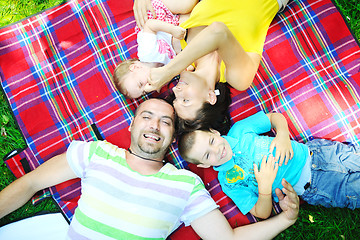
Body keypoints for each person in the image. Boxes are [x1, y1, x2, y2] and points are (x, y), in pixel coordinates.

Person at [0, 99, 300, 239]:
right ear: (132, 124)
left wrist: (286, 219)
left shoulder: (185, 185)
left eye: (166, 122)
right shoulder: (95, 152)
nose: (155, 125)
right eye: (147, 116)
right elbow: (30, 183)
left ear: (172, 138)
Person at [132, 0, 289, 132]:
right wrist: (168, 71)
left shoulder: (180, 44)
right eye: (185, 100)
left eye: (175, 98)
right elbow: (218, 32)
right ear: (210, 97)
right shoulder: (237, 78)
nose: (175, 90)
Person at [178, 111, 360, 219]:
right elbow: (261, 212)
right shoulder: (228, 182)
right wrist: (264, 187)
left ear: (214, 132)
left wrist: (282, 136)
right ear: (202, 165)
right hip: (315, 187)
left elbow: (275, 117)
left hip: (317, 154)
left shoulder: (239, 131)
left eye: (211, 141)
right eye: (208, 155)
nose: (217, 150)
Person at [112, 0, 197, 99]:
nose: (147, 88)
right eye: (144, 92)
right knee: (194, 26)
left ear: (135, 67)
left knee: (187, 5)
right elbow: (182, 63)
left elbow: (150, 25)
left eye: (140, 84)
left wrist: (172, 30)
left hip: (161, 15)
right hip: (178, 26)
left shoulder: (146, 54)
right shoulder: (162, 70)